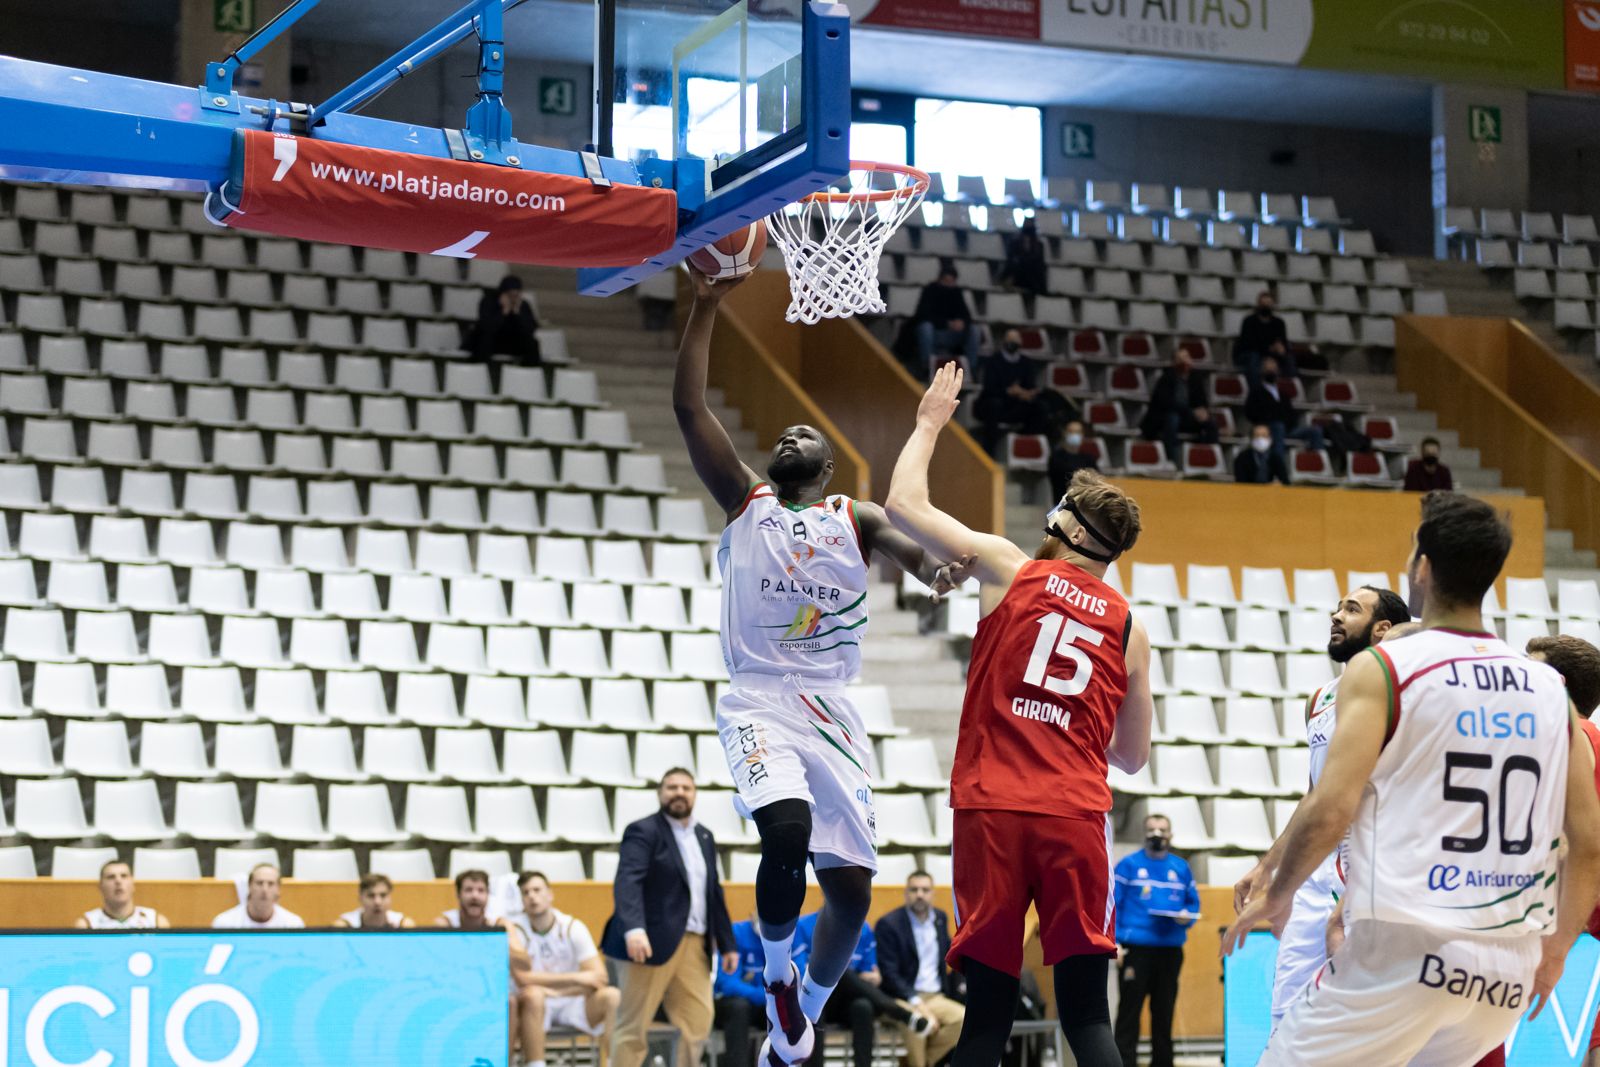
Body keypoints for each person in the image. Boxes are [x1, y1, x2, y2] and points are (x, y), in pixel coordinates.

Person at [673, 267, 962, 1067]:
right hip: (761, 699)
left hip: (832, 709)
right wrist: (706, 306)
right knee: (788, 830)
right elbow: (689, 408)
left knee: (852, 891)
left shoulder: (854, 517)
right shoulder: (747, 501)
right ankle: (776, 978)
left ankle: (794, 1030)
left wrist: (938, 572)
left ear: (829, 469)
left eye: (811, 433)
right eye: (788, 432)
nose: (796, 431)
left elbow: (913, 550)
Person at [1224, 492, 1600, 1064]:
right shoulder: (1550, 691)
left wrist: (1277, 894)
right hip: (1505, 972)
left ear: (1422, 564)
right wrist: (1556, 952)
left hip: (1409, 951)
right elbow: (1588, 847)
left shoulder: (1386, 668)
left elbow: (1330, 806)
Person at [884, 363, 1155, 1067]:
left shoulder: (1010, 565)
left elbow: (903, 504)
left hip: (993, 808)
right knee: (1089, 1021)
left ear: (1063, 524)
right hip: (1073, 815)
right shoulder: (1130, 625)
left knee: (985, 1024)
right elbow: (1132, 757)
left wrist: (928, 424)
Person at [1232, 585, 1410, 1027]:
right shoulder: (1320, 699)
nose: (1336, 615)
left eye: (1351, 609)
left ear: (1382, 629)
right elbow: (1316, 795)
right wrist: (1269, 866)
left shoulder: (1402, 695)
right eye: (1337, 607)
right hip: (1315, 867)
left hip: (1371, 864)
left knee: (1362, 1021)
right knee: (1287, 1015)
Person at [602, 768, 739, 1067]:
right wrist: (634, 929)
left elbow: (712, 891)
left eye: (686, 788)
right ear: (660, 793)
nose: (679, 793)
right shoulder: (643, 830)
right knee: (632, 1027)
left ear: (694, 794)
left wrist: (727, 943)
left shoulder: (705, 835)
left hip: (695, 944)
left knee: (698, 1024)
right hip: (648, 941)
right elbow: (628, 880)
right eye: (672, 787)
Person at [1112, 814, 1199, 1067]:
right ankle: (1123, 1063)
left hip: (1169, 950)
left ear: (1170, 835)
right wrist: (1114, 943)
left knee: (1163, 1014)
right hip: (1135, 950)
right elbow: (1113, 906)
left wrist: (1187, 918)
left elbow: (1193, 904)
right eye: (1152, 829)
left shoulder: (1181, 868)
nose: (1157, 834)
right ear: (1144, 833)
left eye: (1162, 829)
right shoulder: (1128, 865)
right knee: (1129, 1013)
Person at [798, 908, 934, 1067]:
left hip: (847, 998)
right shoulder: (803, 925)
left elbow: (872, 977)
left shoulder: (864, 928)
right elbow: (800, 973)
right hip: (814, 997)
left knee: (863, 1006)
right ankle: (898, 1011)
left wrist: (865, 977)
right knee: (837, 972)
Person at [511, 870, 620, 1067]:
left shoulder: (572, 927)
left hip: (573, 1001)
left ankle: (614, 1063)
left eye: (537, 890)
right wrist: (578, 978)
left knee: (612, 996)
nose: (532, 897)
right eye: (526, 893)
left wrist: (552, 987)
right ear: (521, 900)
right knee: (533, 995)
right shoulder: (516, 930)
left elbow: (599, 977)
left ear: (550, 894)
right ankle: (536, 1064)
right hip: (536, 1005)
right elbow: (523, 978)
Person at [875, 872, 966, 1067]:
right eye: (914, 889)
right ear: (905, 893)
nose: (919, 894)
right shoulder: (889, 924)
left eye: (925, 890)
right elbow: (889, 972)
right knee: (917, 1023)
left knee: (963, 1018)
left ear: (933, 893)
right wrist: (916, 1002)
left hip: (935, 997)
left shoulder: (940, 919)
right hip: (901, 998)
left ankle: (914, 1063)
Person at [974, 330, 1050, 452]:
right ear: (1004, 341)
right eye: (1010, 340)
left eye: (1016, 340)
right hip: (995, 404)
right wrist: (1009, 391)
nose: (1013, 343)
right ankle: (988, 452)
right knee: (993, 405)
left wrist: (1025, 393)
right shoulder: (993, 361)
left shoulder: (1026, 362)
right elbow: (989, 388)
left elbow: (1030, 386)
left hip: (1017, 405)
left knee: (1040, 407)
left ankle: (1026, 447)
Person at [1244, 355, 1324, 462]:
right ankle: (1278, 464)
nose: (1271, 371)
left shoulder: (1283, 395)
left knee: (1315, 431)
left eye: (1273, 368)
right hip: (1268, 429)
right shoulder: (1256, 392)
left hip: (1287, 429)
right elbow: (1250, 413)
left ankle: (1316, 462)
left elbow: (1292, 414)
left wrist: (1289, 424)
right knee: (1278, 427)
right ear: (1262, 371)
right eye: (1268, 368)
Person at [1138, 349, 1212, 461]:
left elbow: (1202, 401)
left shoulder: (1195, 379)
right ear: (1174, 362)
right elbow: (1165, 403)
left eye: (1186, 357)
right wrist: (1191, 411)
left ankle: (1206, 458)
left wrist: (1203, 411)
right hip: (1164, 417)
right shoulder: (1166, 378)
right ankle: (1171, 459)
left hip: (1187, 417)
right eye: (1180, 359)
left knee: (1210, 423)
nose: (1184, 362)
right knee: (1173, 419)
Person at [716, 916, 768, 1067]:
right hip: (733, 1005)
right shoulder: (736, 932)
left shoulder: (788, 937)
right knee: (738, 1007)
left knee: (784, 1008)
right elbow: (728, 983)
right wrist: (763, 995)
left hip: (764, 1006)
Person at [913, 265, 979, 373]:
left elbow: (966, 315)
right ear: (940, 279)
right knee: (925, 328)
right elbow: (922, 315)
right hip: (935, 333)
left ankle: (971, 368)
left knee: (974, 330)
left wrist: (962, 323)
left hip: (953, 335)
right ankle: (926, 366)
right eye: (946, 281)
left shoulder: (957, 292)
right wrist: (947, 323)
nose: (948, 285)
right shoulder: (930, 291)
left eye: (951, 282)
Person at [466, 274, 541, 363]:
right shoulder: (488, 301)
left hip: (511, 342)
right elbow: (486, 327)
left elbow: (530, 329)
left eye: (516, 295)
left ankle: (528, 372)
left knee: (532, 343)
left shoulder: (523, 305)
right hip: (493, 341)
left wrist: (517, 313)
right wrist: (503, 312)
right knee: (484, 339)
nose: (513, 299)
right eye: (510, 295)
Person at [76, 859, 170, 929]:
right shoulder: (87, 924)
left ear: (133, 884)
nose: (118, 881)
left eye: (124, 876)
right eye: (111, 877)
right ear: (100, 886)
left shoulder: (155, 921)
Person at [212, 863, 304, 929]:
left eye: (271, 884)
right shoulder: (224, 923)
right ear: (249, 886)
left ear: (278, 889)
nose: (265, 889)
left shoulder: (293, 925)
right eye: (259, 883)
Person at [1235, 290, 1296, 383]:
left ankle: (1284, 391)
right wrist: (1268, 352)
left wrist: (1281, 350)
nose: (1266, 306)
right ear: (1258, 304)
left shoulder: (1279, 323)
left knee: (1288, 359)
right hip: (1250, 354)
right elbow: (1248, 344)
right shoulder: (1249, 321)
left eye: (1269, 303)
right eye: (1264, 303)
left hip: (1272, 355)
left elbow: (1283, 342)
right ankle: (1256, 392)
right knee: (1253, 358)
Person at [334, 872, 415, 929]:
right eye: (371, 896)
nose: (377, 902)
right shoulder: (345, 925)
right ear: (360, 899)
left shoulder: (403, 924)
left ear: (390, 898)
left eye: (383, 895)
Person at [1048, 420, 1099, 503]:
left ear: (1082, 435)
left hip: (1084, 504)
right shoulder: (1056, 458)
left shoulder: (1088, 459)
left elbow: (1095, 478)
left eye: (1078, 432)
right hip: (1062, 504)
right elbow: (1063, 478)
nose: (1074, 435)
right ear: (1065, 433)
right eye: (1071, 432)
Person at [999, 220, 1047, 296]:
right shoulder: (1014, 244)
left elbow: (1039, 267)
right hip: (1018, 278)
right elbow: (1010, 262)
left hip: (1032, 282)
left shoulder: (1038, 246)